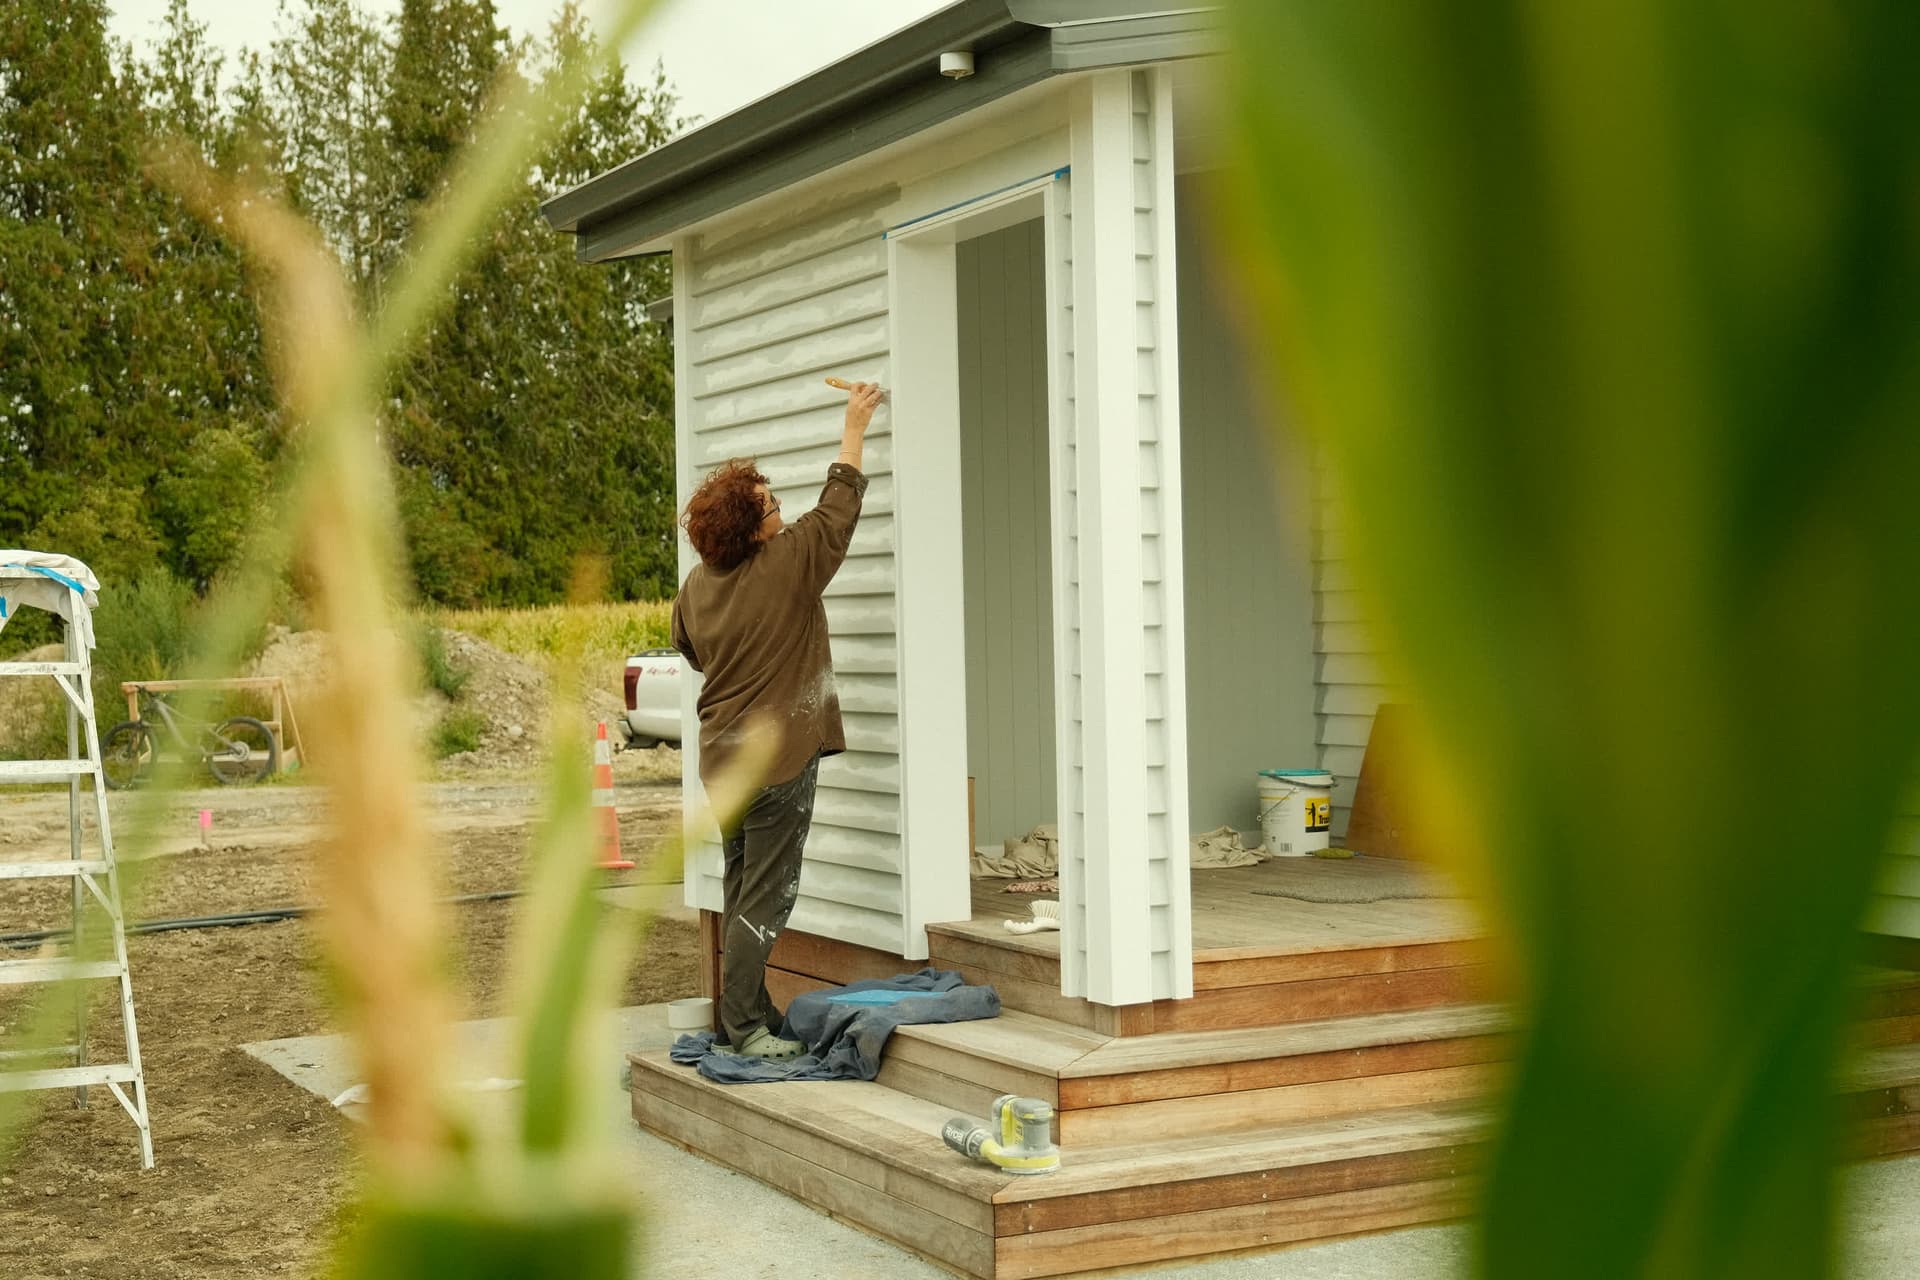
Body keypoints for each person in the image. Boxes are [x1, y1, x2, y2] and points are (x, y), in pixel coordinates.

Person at [670, 382, 884, 1059]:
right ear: (749, 528)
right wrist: (856, 422)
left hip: (721, 761)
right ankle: (743, 1030)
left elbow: (692, 652)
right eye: (768, 505)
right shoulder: (787, 565)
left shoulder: (697, 587)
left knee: (740, 886)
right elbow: (838, 507)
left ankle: (748, 1006)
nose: (779, 507)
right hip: (776, 763)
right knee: (766, 898)